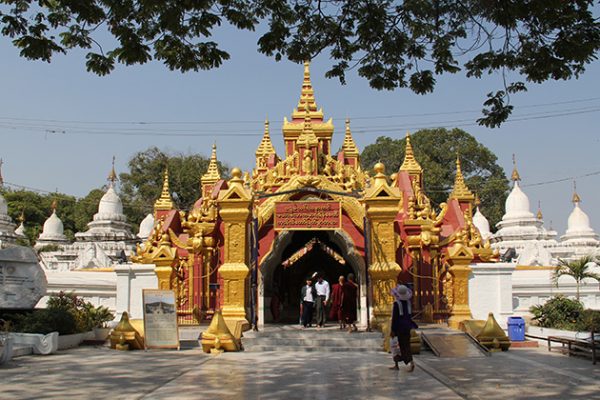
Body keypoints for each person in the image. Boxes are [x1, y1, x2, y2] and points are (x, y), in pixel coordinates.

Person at [390, 283, 417, 372]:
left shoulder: (396, 304)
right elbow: (409, 316)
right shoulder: (408, 303)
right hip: (407, 327)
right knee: (406, 345)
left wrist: (392, 330)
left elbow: (394, 318)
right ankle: (410, 362)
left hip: (399, 328)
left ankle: (399, 364)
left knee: (397, 346)